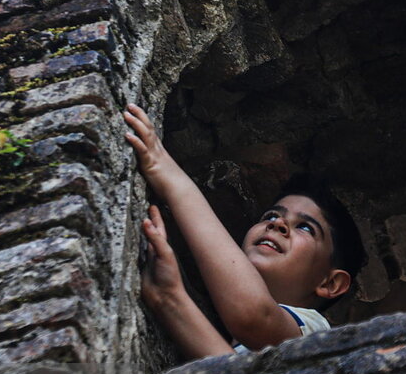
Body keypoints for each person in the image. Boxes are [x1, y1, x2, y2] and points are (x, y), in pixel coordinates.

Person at [123, 104, 364, 359]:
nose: (278, 224)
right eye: (271, 215)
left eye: (305, 227)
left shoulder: (318, 334)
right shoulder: (246, 347)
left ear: (330, 282)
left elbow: (254, 315)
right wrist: (168, 298)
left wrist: (169, 175)